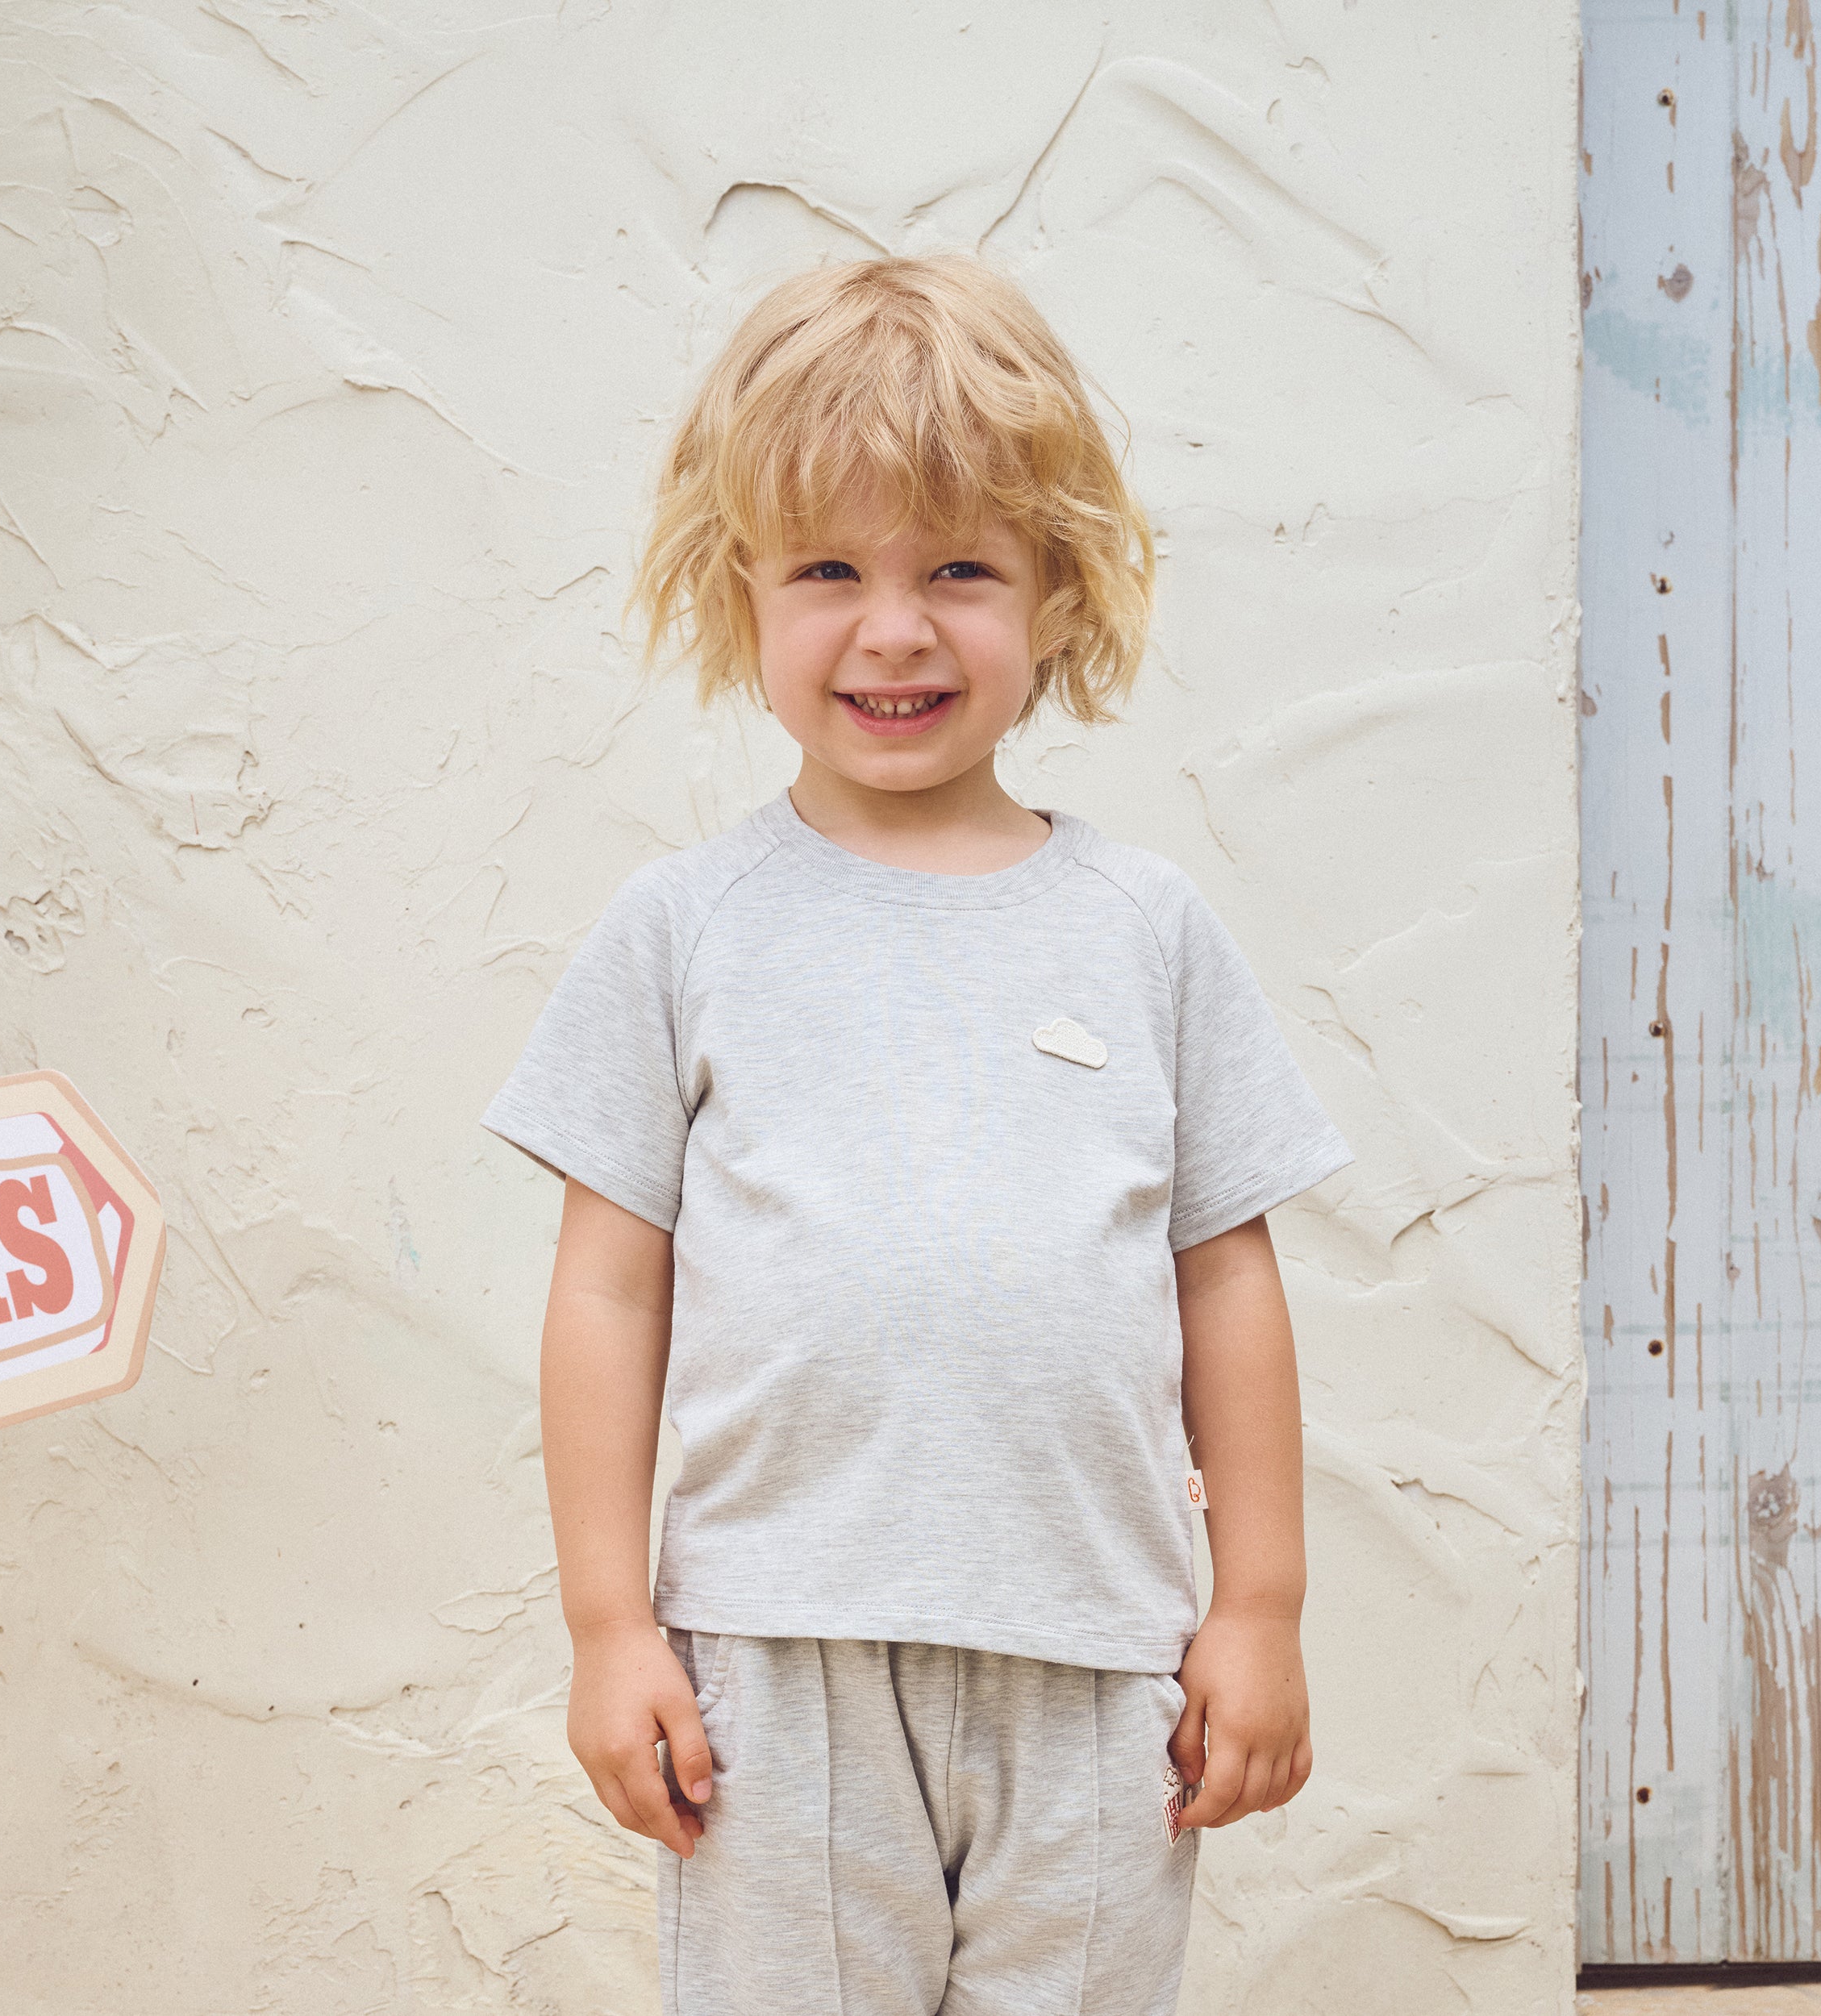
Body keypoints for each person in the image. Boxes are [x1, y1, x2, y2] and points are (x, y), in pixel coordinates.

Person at [481, 252, 1354, 2015]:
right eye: (828, 569)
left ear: (1056, 587)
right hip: (772, 1664)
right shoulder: (685, 927)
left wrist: (1253, 1608)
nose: (893, 626)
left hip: (1101, 1661)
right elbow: (605, 1295)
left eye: (957, 565)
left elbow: (1226, 1277)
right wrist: (606, 1628)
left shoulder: (1145, 921)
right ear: (740, 595)